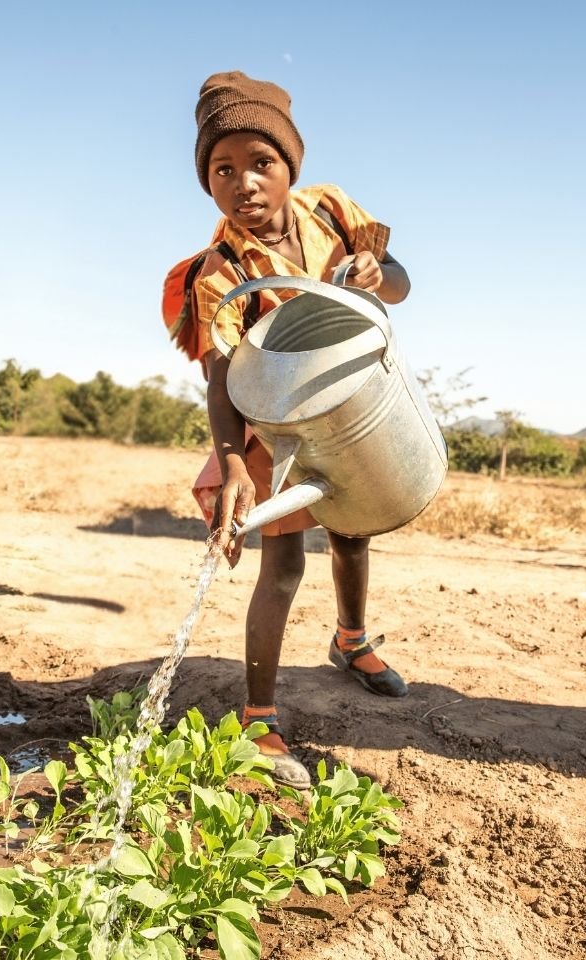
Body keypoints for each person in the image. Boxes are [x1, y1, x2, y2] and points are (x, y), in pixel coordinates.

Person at [180, 71, 413, 790]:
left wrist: (378, 271)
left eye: (261, 163)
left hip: (344, 402)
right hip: (268, 420)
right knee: (281, 566)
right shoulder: (221, 270)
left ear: (289, 168)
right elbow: (221, 373)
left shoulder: (333, 211)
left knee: (352, 530)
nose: (244, 182)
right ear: (208, 182)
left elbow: (401, 282)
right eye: (224, 170)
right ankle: (258, 717)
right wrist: (232, 462)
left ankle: (351, 642)